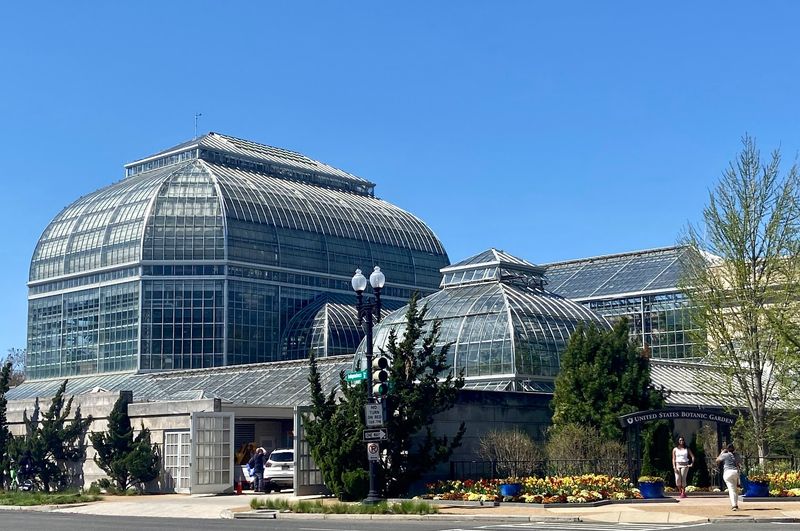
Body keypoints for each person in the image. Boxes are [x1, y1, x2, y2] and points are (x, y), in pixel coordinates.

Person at [716, 443, 741, 510]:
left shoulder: (725, 455)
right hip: (735, 472)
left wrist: (722, 452)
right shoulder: (736, 455)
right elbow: (738, 463)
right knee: (735, 489)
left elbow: (717, 460)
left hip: (727, 472)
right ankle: (736, 504)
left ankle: (734, 505)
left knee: (731, 489)